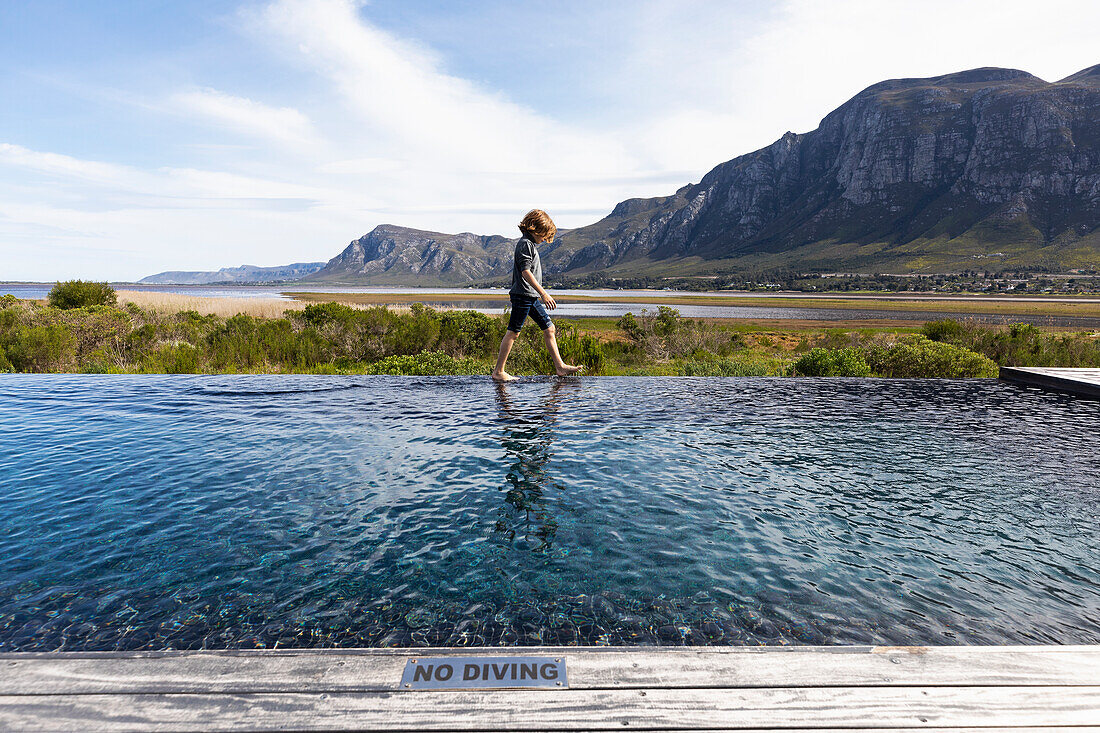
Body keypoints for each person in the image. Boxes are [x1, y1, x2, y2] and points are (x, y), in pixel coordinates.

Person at [491, 209, 584, 382]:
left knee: (549, 328)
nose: (544, 239)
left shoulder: (530, 244)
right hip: (523, 295)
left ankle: (560, 367)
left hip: (530, 296)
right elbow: (525, 271)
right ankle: (498, 371)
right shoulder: (525, 244)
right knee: (513, 332)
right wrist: (544, 293)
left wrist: (538, 294)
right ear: (535, 227)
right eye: (544, 234)